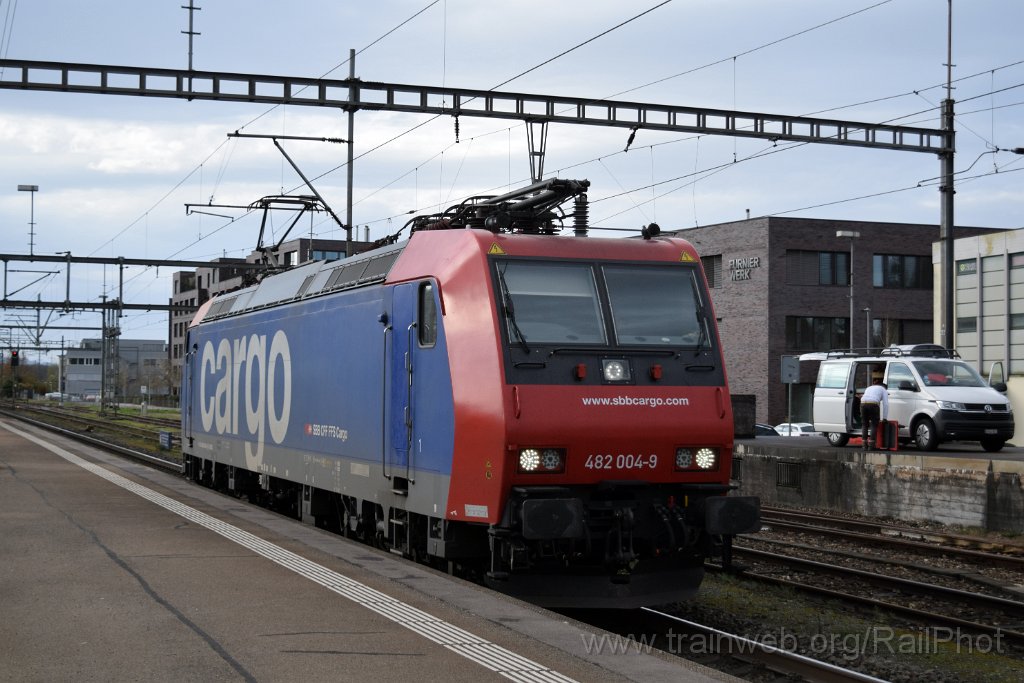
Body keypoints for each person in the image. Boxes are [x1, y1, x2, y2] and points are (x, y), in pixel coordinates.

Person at [860, 376, 889, 450]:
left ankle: (864, 445)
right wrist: (885, 418)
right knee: (873, 424)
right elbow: (885, 404)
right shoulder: (884, 390)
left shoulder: (869, 387)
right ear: (885, 387)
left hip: (863, 403)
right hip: (873, 404)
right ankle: (871, 446)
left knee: (864, 424)